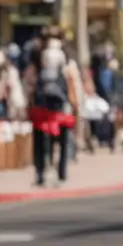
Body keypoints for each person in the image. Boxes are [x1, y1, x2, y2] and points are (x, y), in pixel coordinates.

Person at [26, 27, 82, 186]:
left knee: (40, 141)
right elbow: (72, 81)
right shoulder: (67, 56)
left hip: (41, 106)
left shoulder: (37, 56)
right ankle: (62, 172)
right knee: (63, 140)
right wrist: (75, 104)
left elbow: (30, 81)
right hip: (60, 105)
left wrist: (29, 101)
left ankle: (41, 172)